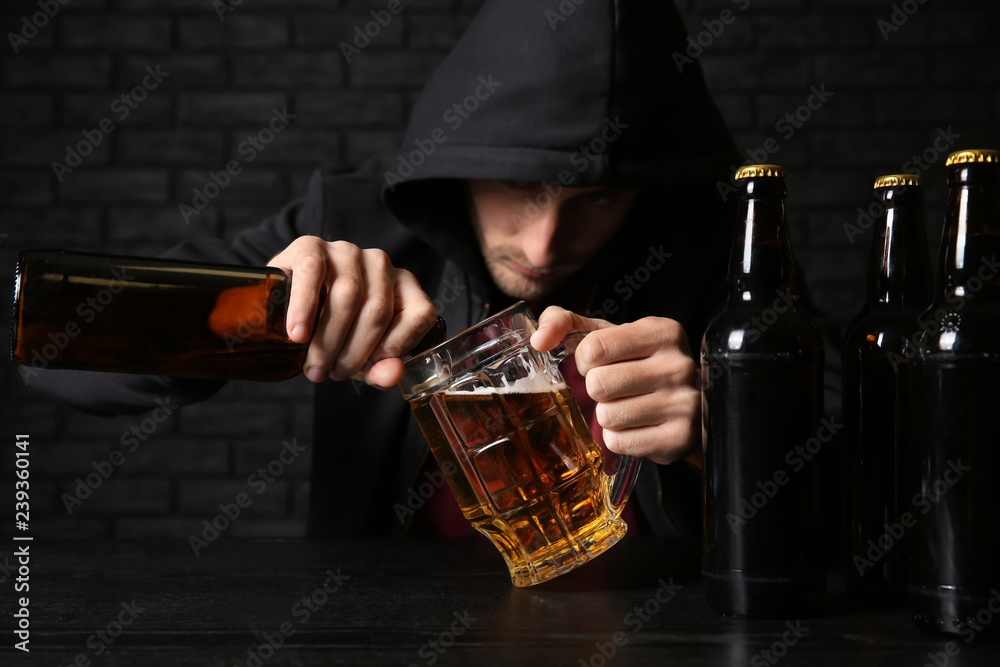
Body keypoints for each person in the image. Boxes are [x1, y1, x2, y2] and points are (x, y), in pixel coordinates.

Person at [29, 0, 739, 538]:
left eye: (599, 198)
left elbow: (840, 457)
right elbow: (55, 354)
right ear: (462, 164)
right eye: (523, 188)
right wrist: (263, 309)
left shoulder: (716, 252)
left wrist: (729, 430)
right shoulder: (351, 220)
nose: (548, 243)